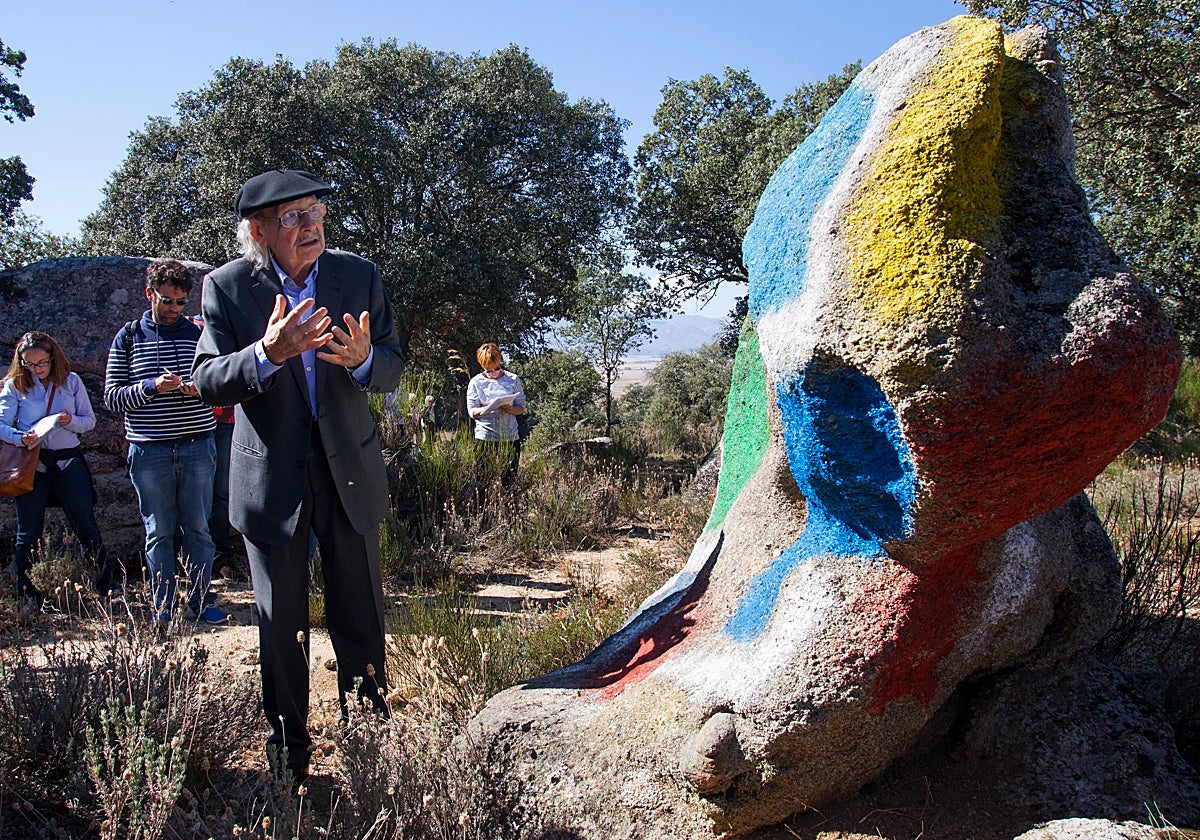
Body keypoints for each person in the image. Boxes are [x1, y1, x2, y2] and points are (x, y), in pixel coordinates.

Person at [193, 169, 406, 781]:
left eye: (315, 211)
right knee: (280, 624)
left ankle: (369, 751)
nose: (311, 225)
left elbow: (392, 363)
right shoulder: (227, 288)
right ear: (259, 231)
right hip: (271, 480)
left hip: (349, 471)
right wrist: (268, 353)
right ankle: (289, 760)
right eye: (293, 217)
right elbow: (207, 378)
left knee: (360, 613)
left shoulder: (357, 275)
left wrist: (365, 361)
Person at [103, 259, 229, 627]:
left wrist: (199, 389)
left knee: (199, 528)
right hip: (149, 449)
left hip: (197, 444)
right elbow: (112, 397)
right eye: (167, 300)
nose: (174, 308)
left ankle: (201, 600)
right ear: (150, 294)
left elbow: (221, 386)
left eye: (181, 302)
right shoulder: (129, 337)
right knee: (159, 531)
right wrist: (151, 387)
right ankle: (163, 607)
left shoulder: (200, 334)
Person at [1, 332, 116, 609]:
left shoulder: (71, 381)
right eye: (30, 364)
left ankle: (108, 589)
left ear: (53, 357)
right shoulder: (15, 385)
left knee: (86, 527)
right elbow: (1, 423)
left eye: (42, 362)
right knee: (28, 533)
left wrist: (68, 421)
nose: (37, 368)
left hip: (68, 461)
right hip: (33, 464)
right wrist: (20, 438)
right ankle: (28, 597)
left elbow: (88, 421)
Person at [466, 342, 526, 486]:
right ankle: (484, 502)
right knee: (482, 482)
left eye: (496, 368)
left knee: (509, 483)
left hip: (510, 437)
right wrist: (486, 409)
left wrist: (511, 409)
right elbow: (472, 411)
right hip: (486, 437)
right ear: (482, 365)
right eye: (488, 370)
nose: (493, 372)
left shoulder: (513, 379)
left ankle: (508, 502)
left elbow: (521, 407)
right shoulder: (476, 382)